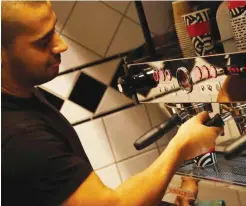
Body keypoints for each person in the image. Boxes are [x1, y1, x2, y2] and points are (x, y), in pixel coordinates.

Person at [1, 1, 223, 205]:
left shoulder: (23, 96)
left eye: (54, 30)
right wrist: (180, 147)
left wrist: (182, 186)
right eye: (43, 41)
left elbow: (95, 196)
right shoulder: (19, 137)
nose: (61, 45)